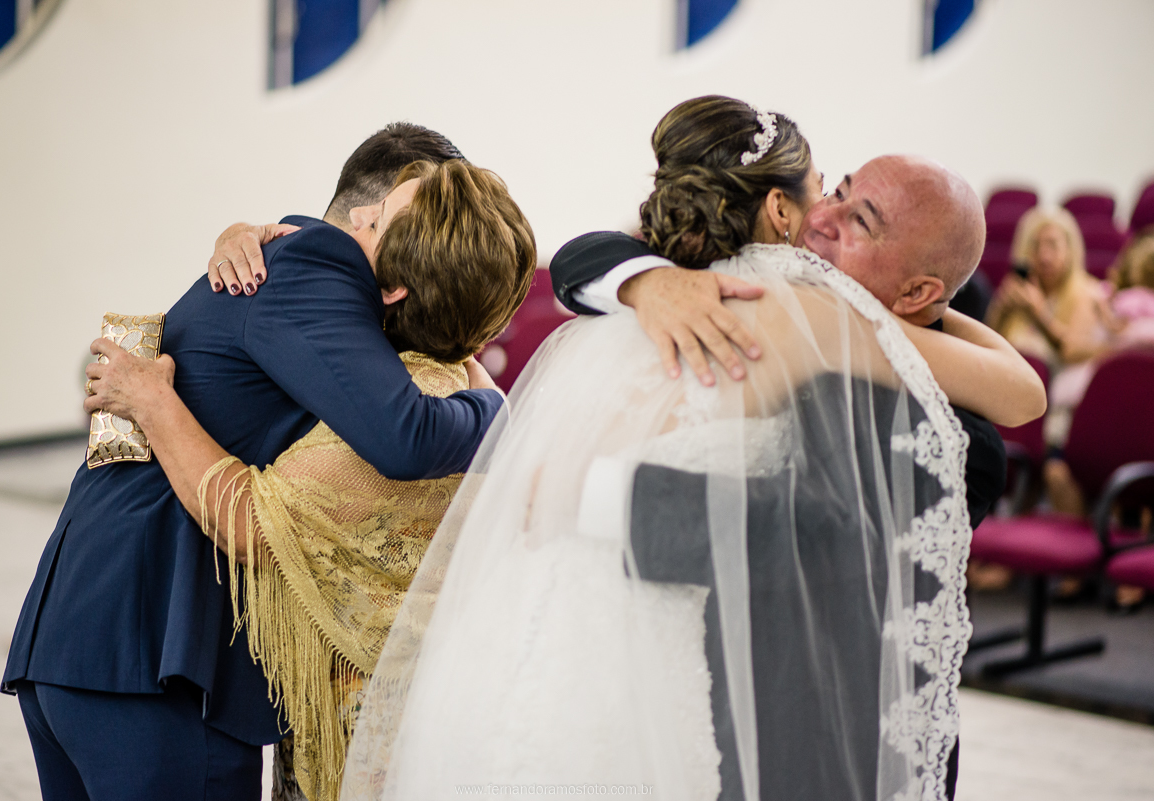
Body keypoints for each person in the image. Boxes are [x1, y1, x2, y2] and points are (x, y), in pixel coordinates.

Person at [339, 97, 1044, 801]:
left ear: (920, 290)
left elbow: (810, 527)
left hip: (831, 737)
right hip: (666, 675)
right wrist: (647, 280)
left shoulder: (945, 421)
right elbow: (587, 255)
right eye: (834, 189)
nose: (825, 217)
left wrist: (591, 493)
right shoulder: (720, 295)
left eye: (860, 220)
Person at [1, 123, 508, 801]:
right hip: (155, 649)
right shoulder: (315, 272)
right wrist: (503, 412)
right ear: (372, 210)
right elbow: (407, 439)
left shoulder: (285, 264)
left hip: (90, 637)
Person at [985, 207, 1110, 371]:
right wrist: (1002, 311)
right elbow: (988, 348)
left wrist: (1039, 314)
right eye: (1035, 246)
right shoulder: (1019, 291)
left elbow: (1070, 352)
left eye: (1053, 245)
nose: (1044, 256)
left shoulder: (1088, 292)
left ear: (1070, 250)